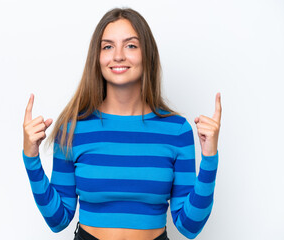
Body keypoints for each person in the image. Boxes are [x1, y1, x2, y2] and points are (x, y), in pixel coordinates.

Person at [22, 7, 221, 240]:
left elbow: (190, 226)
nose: (118, 55)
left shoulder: (176, 130)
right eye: (108, 46)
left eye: (130, 45)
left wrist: (210, 158)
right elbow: (58, 220)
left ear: (147, 54)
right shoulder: (73, 129)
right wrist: (31, 158)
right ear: (97, 57)